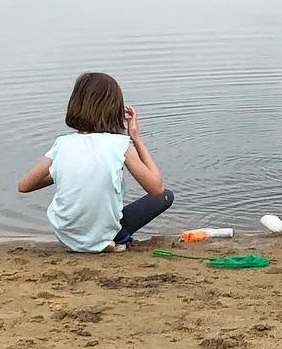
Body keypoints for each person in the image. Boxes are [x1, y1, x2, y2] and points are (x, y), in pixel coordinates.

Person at [17, 71, 174, 251]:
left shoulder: (62, 144)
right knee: (166, 196)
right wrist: (136, 138)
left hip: (66, 235)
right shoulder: (120, 144)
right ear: (114, 108)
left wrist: (65, 172)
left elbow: (24, 186)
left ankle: (89, 239)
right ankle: (116, 238)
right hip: (106, 232)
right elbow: (157, 189)